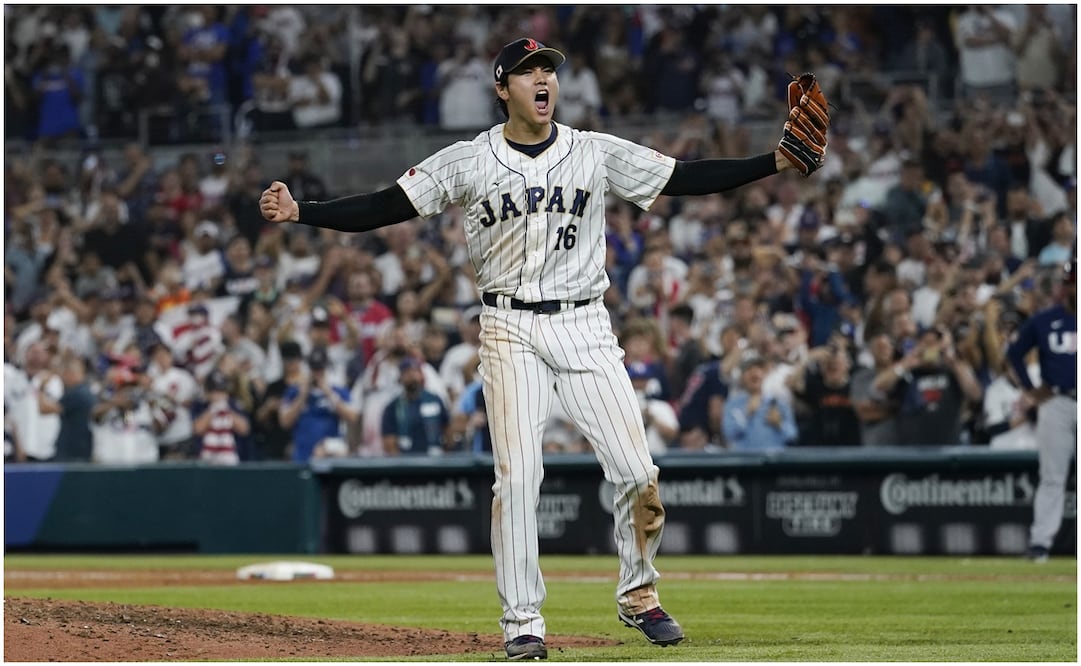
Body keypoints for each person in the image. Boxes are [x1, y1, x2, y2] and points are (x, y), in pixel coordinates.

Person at [260, 37, 826, 658]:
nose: (543, 80)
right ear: (502, 89)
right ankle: (523, 622)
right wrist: (302, 212)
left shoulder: (592, 151)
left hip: (585, 324)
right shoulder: (469, 161)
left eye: (549, 71)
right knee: (518, 478)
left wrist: (774, 162)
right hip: (508, 328)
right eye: (528, 72)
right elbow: (383, 207)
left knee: (639, 472)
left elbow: (683, 178)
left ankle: (639, 595)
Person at [1006, 260, 1076, 563]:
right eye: (1072, 282)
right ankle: (1040, 544)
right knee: (1052, 476)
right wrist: (1030, 389)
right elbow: (1014, 353)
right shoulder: (1045, 320)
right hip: (1056, 402)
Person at [381, 356, 451, 456]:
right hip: (407, 462)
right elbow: (389, 442)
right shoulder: (393, 407)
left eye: (415, 371)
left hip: (435, 459)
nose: (412, 375)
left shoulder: (434, 399)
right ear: (400, 377)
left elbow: (447, 429)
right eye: (407, 372)